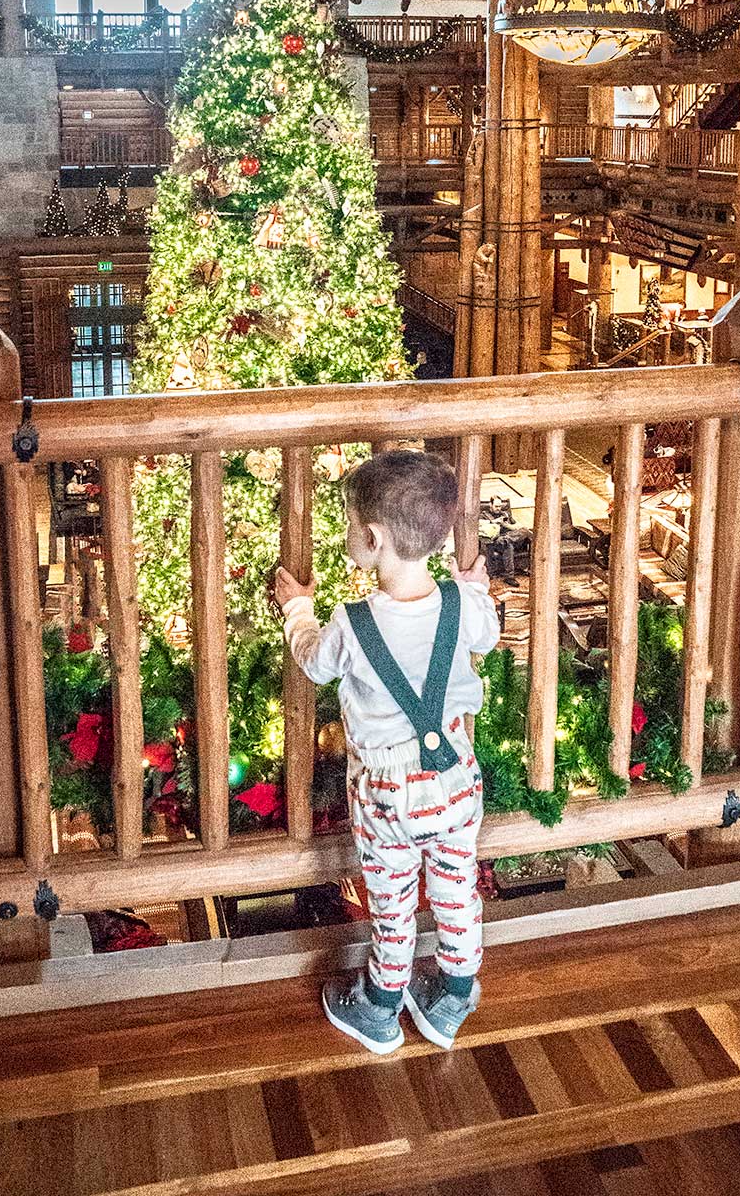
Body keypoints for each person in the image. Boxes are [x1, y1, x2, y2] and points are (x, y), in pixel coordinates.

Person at [273, 449, 499, 1055]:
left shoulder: (350, 622)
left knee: (392, 898)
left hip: (386, 792)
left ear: (371, 538)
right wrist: (475, 587)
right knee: (456, 888)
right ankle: (454, 994)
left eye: (348, 525)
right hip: (456, 779)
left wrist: (296, 608)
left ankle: (380, 1005)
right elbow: (489, 633)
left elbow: (314, 662)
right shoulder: (461, 603)